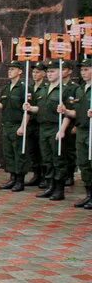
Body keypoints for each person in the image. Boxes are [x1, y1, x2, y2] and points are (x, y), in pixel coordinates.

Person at [23, 60, 77, 201]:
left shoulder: (65, 91)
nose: (49, 74)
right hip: (43, 127)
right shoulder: (43, 89)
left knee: (58, 159)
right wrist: (30, 108)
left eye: (52, 71)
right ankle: (50, 186)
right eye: (48, 72)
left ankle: (59, 190)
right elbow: (39, 108)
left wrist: (62, 130)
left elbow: (67, 113)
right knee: (47, 159)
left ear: (60, 72)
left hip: (56, 127)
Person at [58, 57, 92, 208]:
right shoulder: (80, 89)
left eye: (87, 69)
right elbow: (76, 112)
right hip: (82, 130)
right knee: (84, 164)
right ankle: (89, 194)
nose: (83, 73)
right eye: (82, 70)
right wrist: (66, 111)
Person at [0, 62, 29, 191]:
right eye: (9, 69)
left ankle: (20, 180)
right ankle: (12, 178)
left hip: (17, 125)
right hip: (6, 125)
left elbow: (27, 110)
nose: (9, 71)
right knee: (9, 153)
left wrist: (23, 126)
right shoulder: (6, 88)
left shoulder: (24, 88)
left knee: (19, 154)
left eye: (12, 69)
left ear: (20, 71)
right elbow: (3, 106)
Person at [26, 62, 47, 187]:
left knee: (43, 151)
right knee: (32, 150)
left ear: (44, 73)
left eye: (37, 72)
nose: (34, 74)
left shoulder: (46, 88)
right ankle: (36, 174)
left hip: (42, 123)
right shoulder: (29, 88)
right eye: (33, 72)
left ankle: (45, 176)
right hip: (31, 123)